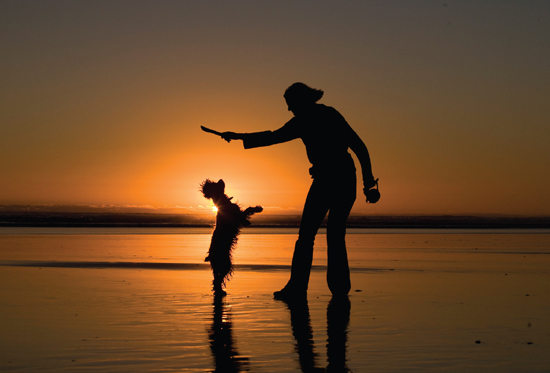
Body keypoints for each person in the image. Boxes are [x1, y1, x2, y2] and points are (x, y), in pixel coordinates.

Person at [220, 82, 378, 299]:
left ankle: (307, 288)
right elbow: (359, 147)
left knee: (311, 236)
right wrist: (239, 136)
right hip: (340, 178)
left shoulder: (311, 119)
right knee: (330, 235)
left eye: (290, 104)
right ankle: (333, 289)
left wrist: (369, 183)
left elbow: (358, 145)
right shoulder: (317, 117)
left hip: (334, 179)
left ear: (300, 101)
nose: (288, 109)